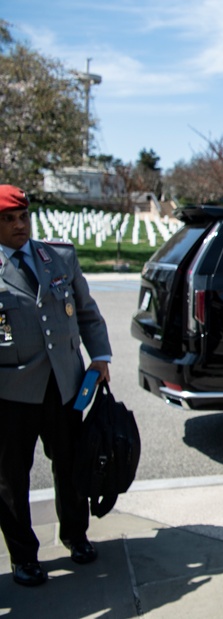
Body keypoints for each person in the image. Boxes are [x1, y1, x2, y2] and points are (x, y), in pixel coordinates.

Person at [0, 185, 112, 587]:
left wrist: (100, 357)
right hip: (12, 391)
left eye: (22, 217)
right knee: (13, 476)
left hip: (64, 384)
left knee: (71, 463)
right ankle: (23, 556)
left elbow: (86, 311)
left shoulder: (57, 256)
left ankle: (75, 535)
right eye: (7, 219)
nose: (18, 225)